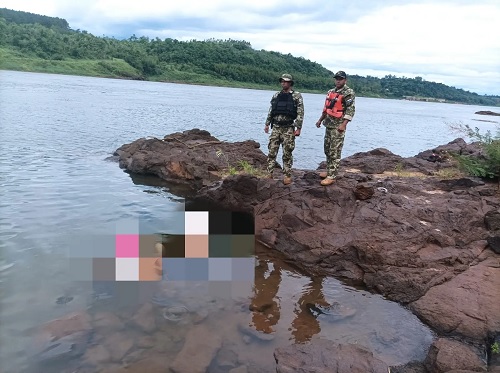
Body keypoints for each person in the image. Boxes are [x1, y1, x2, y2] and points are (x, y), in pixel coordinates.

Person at [315, 71, 356, 186]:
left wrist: (343, 125)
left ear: (345, 80)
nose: (338, 80)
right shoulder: (331, 92)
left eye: (341, 79)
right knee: (327, 149)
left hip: (338, 127)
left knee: (335, 150)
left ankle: (332, 176)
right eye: (337, 78)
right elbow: (326, 108)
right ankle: (329, 170)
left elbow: (350, 110)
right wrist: (320, 120)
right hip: (328, 124)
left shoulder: (348, 93)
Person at [264, 73, 304, 185]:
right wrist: (267, 124)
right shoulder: (276, 95)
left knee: (287, 153)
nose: (283, 83)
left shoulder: (296, 96)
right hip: (276, 127)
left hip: (288, 128)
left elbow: (300, 112)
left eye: (286, 81)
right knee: (272, 151)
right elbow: (271, 110)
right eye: (282, 81)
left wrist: (298, 128)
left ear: (290, 83)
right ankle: (269, 173)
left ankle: (287, 175)